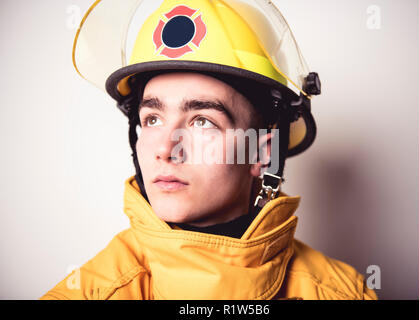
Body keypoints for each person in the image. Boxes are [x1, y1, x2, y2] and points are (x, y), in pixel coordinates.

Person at [41, 0, 377, 300]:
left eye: (202, 121)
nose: (164, 149)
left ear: (262, 153)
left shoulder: (343, 294)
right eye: (153, 118)